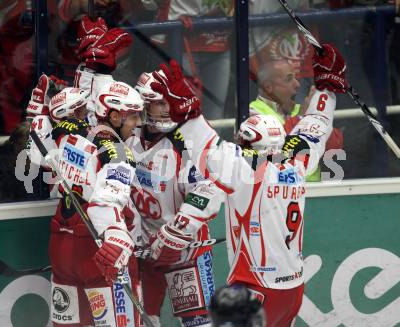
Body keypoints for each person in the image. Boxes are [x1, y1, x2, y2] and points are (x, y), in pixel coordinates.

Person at [148, 43, 347, 326]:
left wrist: (188, 114)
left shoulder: (245, 168)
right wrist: (326, 88)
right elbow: (316, 123)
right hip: (292, 288)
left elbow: (209, 149)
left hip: (256, 288)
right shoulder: (298, 161)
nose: (237, 144)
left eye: (241, 141)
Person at [27, 16, 146, 327]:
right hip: (98, 250)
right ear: (116, 115)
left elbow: (37, 152)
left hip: (62, 248)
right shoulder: (118, 152)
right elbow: (105, 202)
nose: (137, 124)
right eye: (132, 117)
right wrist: (117, 237)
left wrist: (39, 112)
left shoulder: (70, 136)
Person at [125, 70, 223, 326]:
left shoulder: (186, 142)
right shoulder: (127, 138)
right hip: (144, 253)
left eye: (170, 101)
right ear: (143, 104)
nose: (167, 108)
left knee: (199, 324)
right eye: (159, 103)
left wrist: (175, 234)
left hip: (186, 251)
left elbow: (209, 190)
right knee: (144, 321)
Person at [249, 59, 344, 181]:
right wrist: (303, 119)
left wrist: (320, 114)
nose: (297, 84)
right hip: (279, 193)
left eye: (295, 78)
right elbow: (276, 151)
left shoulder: (302, 109)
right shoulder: (251, 114)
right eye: (289, 79)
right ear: (268, 87)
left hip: (315, 192)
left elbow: (334, 147)